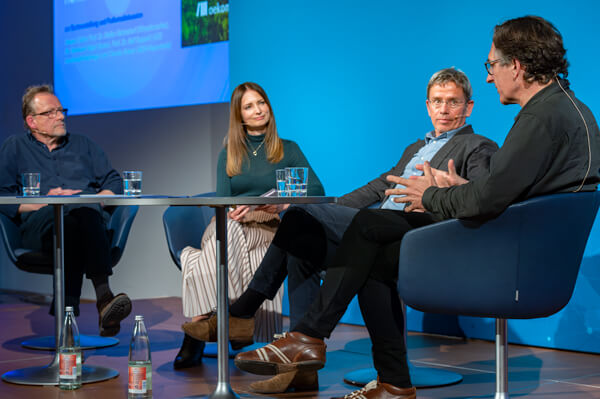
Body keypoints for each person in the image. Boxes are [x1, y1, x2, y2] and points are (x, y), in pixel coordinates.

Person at [233, 16, 600, 399]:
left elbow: (488, 200)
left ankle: (306, 336)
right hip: (521, 249)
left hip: (507, 262)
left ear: (517, 66)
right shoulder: (571, 110)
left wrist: (430, 195)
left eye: (491, 65)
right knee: (371, 247)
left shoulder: (538, 118)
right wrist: (460, 188)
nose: (490, 77)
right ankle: (390, 381)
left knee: (368, 228)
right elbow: (507, 192)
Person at [186, 68, 499, 393]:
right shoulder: (415, 148)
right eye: (437, 101)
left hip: (420, 235)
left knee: (327, 220)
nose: (444, 109)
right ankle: (304, 369)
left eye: (453, 102)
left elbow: (476, 197)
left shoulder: (478, 146)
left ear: (469, 107)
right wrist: (325, 211)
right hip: (378, 234)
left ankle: (249, 314)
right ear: (427, 105)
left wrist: (443, 192)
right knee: (303, 233)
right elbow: (379, 186)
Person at [174, 82, 325, 369]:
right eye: (249, 106)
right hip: (231, 222)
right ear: (239, 115)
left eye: (261, 103)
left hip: (266, 227)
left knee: (201, 256)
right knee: (227, 233)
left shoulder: (288, 149)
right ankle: (235, 321)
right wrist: (237, 211)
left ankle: (200, 326)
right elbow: (222, 200)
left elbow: (315, 189)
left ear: (269, 106)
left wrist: (270, 202)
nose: (257, 110)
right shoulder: (229, 151)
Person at [0, 85, 132, 337]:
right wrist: (43, 202)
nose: (60, 116)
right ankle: (103, 296)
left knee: (77, 217)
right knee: (70, 218)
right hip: (40, 225)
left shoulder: (83, 145)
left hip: (85, 221)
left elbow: (113, 181)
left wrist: (97, 199)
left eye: (61, 111)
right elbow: (2, 195)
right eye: (51, 112)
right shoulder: (15, 147)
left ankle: (68, 316)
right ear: (32, 121)